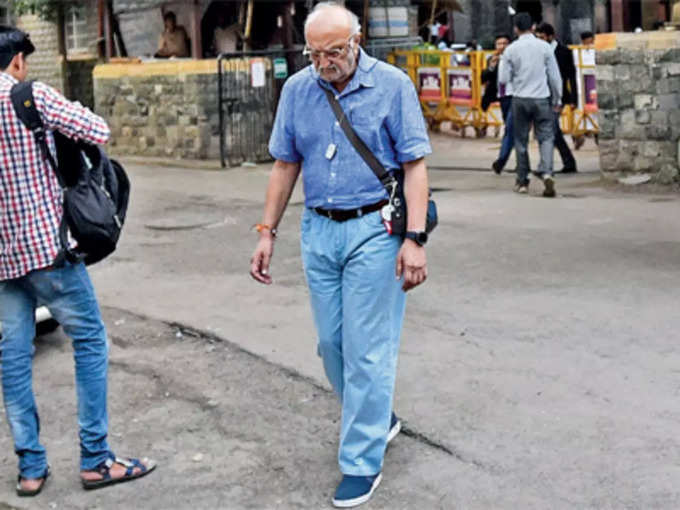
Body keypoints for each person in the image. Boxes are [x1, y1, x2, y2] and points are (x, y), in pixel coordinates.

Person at [249, 2, 431, 507]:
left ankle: (360, 462)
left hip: (376, 228)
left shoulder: (392, 86)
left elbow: (415, 165)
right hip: (319, 230)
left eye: (334, 51)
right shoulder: (297, 90)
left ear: (357, 42)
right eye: (315, 53)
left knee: (367, 347)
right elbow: (285, 165)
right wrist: (267, 231)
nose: (324, 61)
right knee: (332, 345)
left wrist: (414, 239)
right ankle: (377, 416)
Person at [0, 26, 156, 497]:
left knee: (12, 357)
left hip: (3, 260)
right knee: (89, 341)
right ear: (17, 62)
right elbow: (97, 130)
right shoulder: (29, 97)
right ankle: (95, 458)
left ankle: (31, 468)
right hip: (49, 250)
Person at [499, 12, 562, 197]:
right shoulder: (544, 47)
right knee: (546, 137)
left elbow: (503, 79)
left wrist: (515, 79)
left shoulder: (511, 50)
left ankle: (523, 179)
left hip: (520, 98)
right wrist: (557, 99)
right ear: (533, 27)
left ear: (515, 28)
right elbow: (554, 77)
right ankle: (548, 172)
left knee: (521, 140)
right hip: (542, 97)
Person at [535, 22, 578, 173]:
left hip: (558, 96)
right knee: (551, 131)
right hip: (541, 94)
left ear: (551, 36)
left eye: (542, 37)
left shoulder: (563, 52)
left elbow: (571, 76)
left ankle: (549, 165)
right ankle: (567, 162)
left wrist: (574, 99)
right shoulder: (538, 51)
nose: (539, 40)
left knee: (551, 129)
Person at [481, 33, 514, 174]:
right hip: (502, 97)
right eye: (499, 44)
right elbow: (483, 78)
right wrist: (491, 67)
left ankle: (501, 160)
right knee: (512, 129)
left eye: (504, 43)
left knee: (511, 128)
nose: (502, 47)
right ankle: (513, 162)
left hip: (515, 96)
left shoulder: (514, 58)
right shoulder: (492, 59)